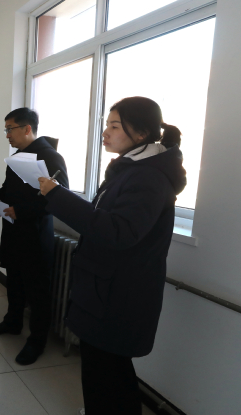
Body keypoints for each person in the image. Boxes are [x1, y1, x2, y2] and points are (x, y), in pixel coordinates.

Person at [38, 97, 186, 415]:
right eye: (107, 124)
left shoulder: (147, 176)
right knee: (105, 371)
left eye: (115, 126)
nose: (105, 132)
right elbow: (106, 219)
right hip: (106, 288)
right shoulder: (130, 168)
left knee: (108, 374)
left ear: (142, 132)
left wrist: (58, 195)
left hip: (119, 294)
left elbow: (119, 231)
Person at [0, 107, 68, 366]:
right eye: (6, 129)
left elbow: (59, 198)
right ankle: (12, 322)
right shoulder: (18, 157)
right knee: (15, 281)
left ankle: (37, 341)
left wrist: (20, 211)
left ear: (27, 129)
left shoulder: (51, 157)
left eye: (10, 129)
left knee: (38, 291)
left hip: (35, 236)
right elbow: (8, 188)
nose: (7, 135)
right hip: (13, 231)